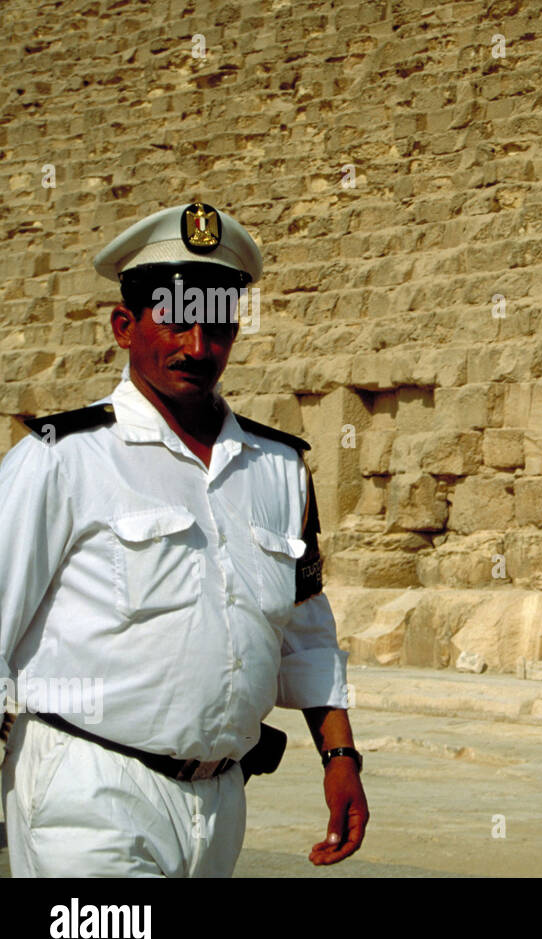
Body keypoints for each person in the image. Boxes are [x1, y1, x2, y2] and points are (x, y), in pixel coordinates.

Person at [0, 202, 369, 876]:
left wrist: (340, 757)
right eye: (174, 318)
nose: (198, 347)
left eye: (218, 325)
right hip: (88, 791)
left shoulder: (278, 469)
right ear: (124, 325)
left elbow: (306, 632)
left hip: (219, 803)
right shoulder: (61, 458)